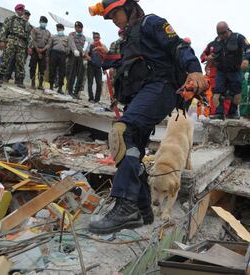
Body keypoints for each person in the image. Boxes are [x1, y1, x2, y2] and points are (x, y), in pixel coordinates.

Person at [88, 0, 207, 234]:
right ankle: (142, 208)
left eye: (116, 15)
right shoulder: (130, 37)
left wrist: (193, 69)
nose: (114, 21)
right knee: (133, 148)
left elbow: (177, 46)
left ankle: (126, 205)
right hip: (143, 92)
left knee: (123, 132)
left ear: (131, 7)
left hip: (160, 87)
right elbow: (129, 63)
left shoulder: (151, 23)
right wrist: (108, 57)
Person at [212, 21, 250, 119]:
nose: (222, 35)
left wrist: (246, 59)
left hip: (234, 70)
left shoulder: (238, 37)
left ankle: (233, 112)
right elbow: (212, 53)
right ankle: (219, 113)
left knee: (237, 93)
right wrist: (210, 57)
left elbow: (249, 49)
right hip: (221, 71)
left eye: (223, 33)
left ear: (228, 29)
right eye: (219, 33)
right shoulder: (216, 41)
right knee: (218, 92)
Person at [0, 3, 31, 88]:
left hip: (21, 44)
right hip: (11, 41)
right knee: (5, 59)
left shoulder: (26, 23)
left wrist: (29, 47)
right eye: (20, 10)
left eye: (22, 10)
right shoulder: (10, 19)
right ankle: (0, 77)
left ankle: (20, 80)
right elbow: (4, 30)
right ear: (16, 10)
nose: (21, 11)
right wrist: (2, 41)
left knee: (20, 62)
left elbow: (29, 36)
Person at [29, 16, 51, 90]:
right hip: (35, 50)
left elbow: (49, 43)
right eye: (42, 22)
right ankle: (32, 83)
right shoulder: (35, 30)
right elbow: (33, 40)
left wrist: (43, 49)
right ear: (39, 22)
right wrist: (37, 49)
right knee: (33, 66)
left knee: (42, 69)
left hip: (44, 52)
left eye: (45, 22)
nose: (43, 23)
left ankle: (40, 84)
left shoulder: (48, 32)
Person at [85, 32, 107, 103]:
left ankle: (97, 100)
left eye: (97, 37)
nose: (96, 39)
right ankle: (91, 98)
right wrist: (89, 58)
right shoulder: (90, 45)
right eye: (94, 37)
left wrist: (104, 68)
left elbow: (106, 56)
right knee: (90, 83)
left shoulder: (103, 46)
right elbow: (86, 54)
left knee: (99, 83)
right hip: (91, 66)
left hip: (98, 67)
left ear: (99, 38)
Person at [67, 21, 86, 99]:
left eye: (81, 28)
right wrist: (74, 50)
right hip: (73, 55)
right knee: (72, 73)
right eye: (78, 28)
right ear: (75, 28)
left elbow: (82, 46)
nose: (79, 29)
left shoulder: (83, 37)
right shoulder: (71, 34)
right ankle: (70, 91)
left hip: (80, 56)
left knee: (80, 75)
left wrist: (83, 53)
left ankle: (76, 92)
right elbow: (71, 43)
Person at [49, 23, 69, 94]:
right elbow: (50, 46)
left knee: (62, 72)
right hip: (54, 53)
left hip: (63, 55)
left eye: (60, 29)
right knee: (52, 70)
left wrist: (67, 52)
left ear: (63, 29)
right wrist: (49, 55)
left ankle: (60, 88)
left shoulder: (67, 37)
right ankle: (51, 86)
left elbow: (69, 46)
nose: (59, 30)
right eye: (58, 29)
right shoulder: (53, 37)